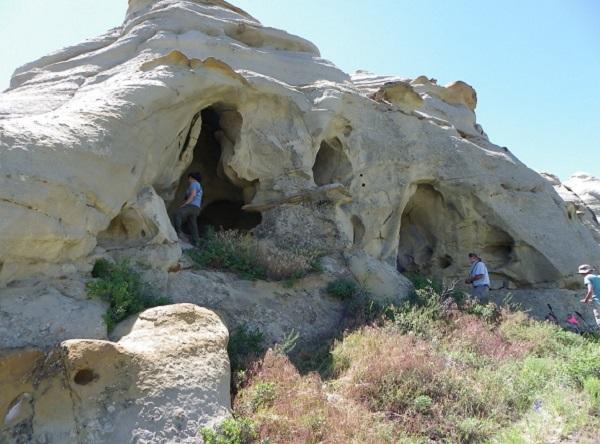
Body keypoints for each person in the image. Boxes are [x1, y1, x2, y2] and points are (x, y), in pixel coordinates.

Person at [171, 172, 203, 246]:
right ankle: (196, 241)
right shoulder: (199, 185)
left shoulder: (194, 184)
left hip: (191, 206)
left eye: (189, 178)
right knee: (192, 224)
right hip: (196, 208)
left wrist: (185, 204)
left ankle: (178, 233)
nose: (188, 180)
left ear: (191, 178)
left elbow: (193, 195)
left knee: (177, 213)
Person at [578, 264, 600, 328]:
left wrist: (586, 300)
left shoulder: (587, 277)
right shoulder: (598, 277)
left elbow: (590, 291)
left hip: (597, 302)